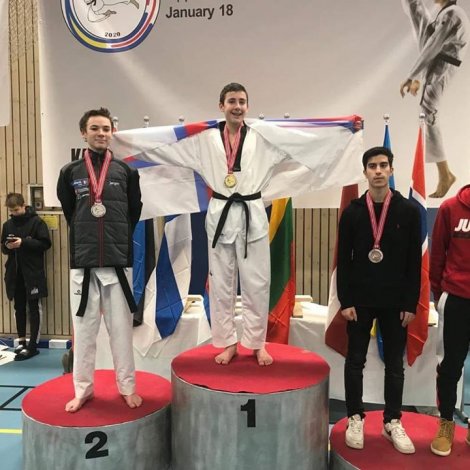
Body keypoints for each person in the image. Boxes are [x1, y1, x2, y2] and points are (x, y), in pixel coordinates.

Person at [112, 82, 363, 367]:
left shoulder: (263, 137)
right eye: (232, 101)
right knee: (221, 284)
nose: (237, 106)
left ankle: (256, 344)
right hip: (220, 215)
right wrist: (122, 142)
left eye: (242, 101)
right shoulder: (204, 139)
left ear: (248, 106)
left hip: (251, 215)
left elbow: (303, 143)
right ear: (222, 105)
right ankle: (227, 343)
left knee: (258, 283)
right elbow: (166, 148)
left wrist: (345, 132)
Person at [57, 107, 143, 412]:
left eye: (106, 129)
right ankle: (83, 390)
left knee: (121, 331)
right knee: (84, 331)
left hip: (118, 261)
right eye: (95, 128)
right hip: (84, 262)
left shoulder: (126, 172)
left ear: (112, 133)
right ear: (84, 133)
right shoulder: (69, 172)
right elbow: (71, 212)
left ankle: (127, 387)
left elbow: (134, 211)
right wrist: (90, 236)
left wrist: (114, 237)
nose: (101, 133)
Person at [337, 146, 421, 454]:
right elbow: (343, 260)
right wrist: (345, 300)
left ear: (391, 170)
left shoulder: (408, 211)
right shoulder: (353, 212)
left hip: (395, 301)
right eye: (372, 166)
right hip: (360, 300)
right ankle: (355, 416)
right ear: (365, 172)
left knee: (395, 365)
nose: (378, 171)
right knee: (355, 361)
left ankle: (392, 420)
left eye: (383, 165)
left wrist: (410, 303)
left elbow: (414, 262)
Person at [401, 0, 469, 198]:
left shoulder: (452, 14)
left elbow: (432, 46)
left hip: (442, 65)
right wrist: (416, 78)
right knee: (417, 11)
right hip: (438, 62)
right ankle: (445, 173)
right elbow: (427, 42)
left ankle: (445, 174)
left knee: (428, 112)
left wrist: (412, 76)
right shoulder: (447, 13)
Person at [429, 184, 470, 456]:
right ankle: (445, 423)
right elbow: (437, 255)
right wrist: (439, 292)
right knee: (449, 366)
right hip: (456, 300)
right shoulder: (450, 208)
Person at [1, 193, 51, 361]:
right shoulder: (7, 225)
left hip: (33, 273)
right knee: (19, 307)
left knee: (34, 308)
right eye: (11, 211)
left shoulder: (37, 222)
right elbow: (3, 248)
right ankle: (21, 341)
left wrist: (23, 242)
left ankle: (33, 345)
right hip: (14, 273)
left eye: (16, 210)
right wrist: (8, 246)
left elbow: (45, 244)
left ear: (24, 205)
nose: (14, 213)